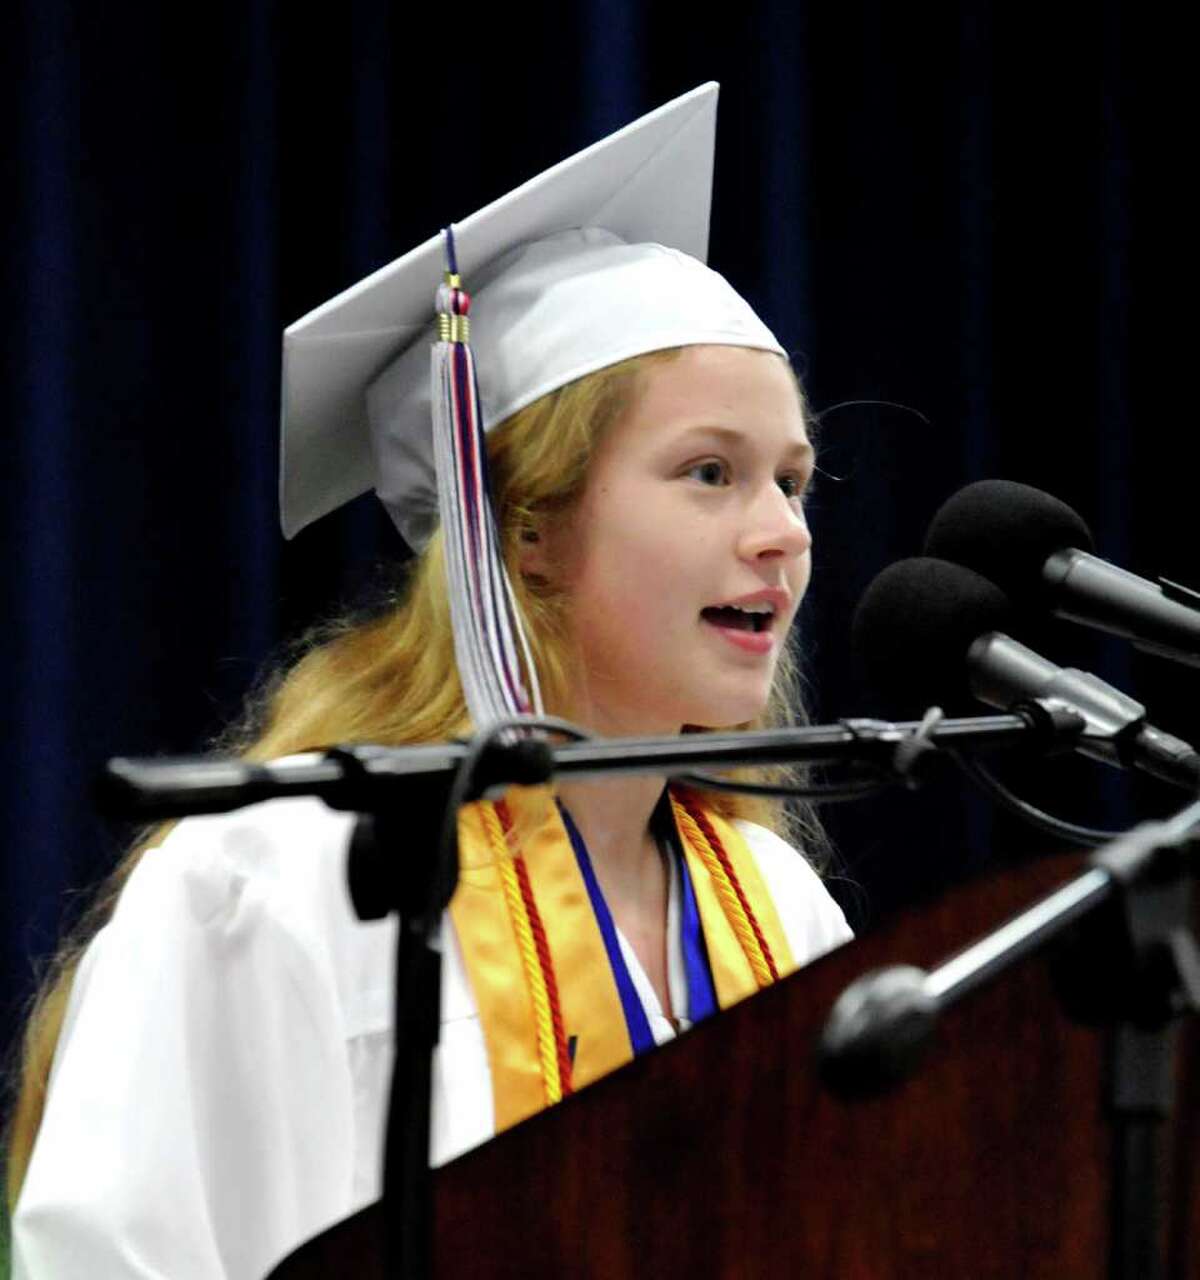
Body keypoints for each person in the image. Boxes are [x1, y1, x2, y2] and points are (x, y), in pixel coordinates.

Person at [6, 83, 851, 1279]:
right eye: (710, 472)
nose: (781, 533)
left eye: (793, 480)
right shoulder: (277, 883)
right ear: (525, 529)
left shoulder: (779, 912)